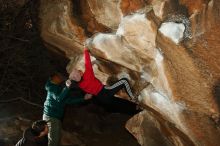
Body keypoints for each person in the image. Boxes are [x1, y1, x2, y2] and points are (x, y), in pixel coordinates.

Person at [69, 47, 140, 114]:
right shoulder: (87, 74)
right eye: (79, 72)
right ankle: (133, 98)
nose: (81, 71)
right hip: (104, 91)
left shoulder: (80, 85)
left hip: (101, 99)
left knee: (120, 103)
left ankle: (135, 109)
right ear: (81, 74)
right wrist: (86, 50)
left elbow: (88, 68)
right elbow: (87, 63)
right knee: (124, 81)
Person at [43, 72, 92, 146]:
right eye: (58, 76)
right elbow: (59, 98)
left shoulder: (58, 88)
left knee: (55, 139)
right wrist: (67, 87)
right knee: (54, 140)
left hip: (55, 117)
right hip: (51, 116)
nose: (60, 78)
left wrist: (83, 98)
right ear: (53, 78)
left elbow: (68, 101)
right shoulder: (51, 87)